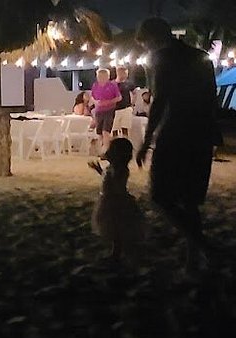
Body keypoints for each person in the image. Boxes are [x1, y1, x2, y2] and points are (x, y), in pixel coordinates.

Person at [135, 17, 220, 271]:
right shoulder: (200, 57)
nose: (146, 51)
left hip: (176, 134)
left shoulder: (163, 59)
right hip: (202, 135)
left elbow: (160, 102)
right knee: (190, 199)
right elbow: (211, 97)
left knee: (160, 196)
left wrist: (147, 140)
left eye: (145, 45)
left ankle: (203, 246)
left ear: (151, 39)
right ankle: (193, 257)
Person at [89, 137, 143, 263]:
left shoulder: (120, 169)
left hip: (115, 202)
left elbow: (116, 183)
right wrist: (100, 170)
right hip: (111, 199)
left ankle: (117, 253)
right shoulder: (114, 167)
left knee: (116, 228)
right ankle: (117, 252)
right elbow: (108, 178)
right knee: (116, 230)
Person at [90, 68, 122, 147]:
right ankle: (101, 148)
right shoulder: (95, 85)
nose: (100, 78)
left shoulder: (112, 85)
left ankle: (106, 149)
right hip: (99, 111)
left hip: (109, 110)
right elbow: (92, 97)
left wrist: (109, 102)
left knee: (106, 131)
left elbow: (119, 97)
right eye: (99, 76)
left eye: (102, 76)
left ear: (107, 77)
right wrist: (96, 102)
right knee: (99, 132)